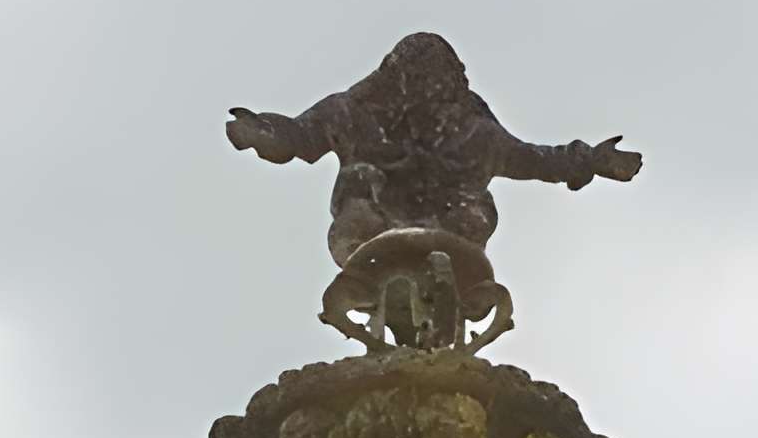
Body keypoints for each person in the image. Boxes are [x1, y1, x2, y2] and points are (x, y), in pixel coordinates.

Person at [228, 31, 639, 266]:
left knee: (471, 205)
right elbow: (302, 135)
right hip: (373, 225)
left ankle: (456, 271)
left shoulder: (474, 137)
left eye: (434, 89)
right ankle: (366, 259)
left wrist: (590, 159)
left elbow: (536, 159)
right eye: (414, 86)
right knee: (361, 179)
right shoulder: (354, 114)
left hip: (451, 233)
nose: (423, 101)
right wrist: (264, 133)